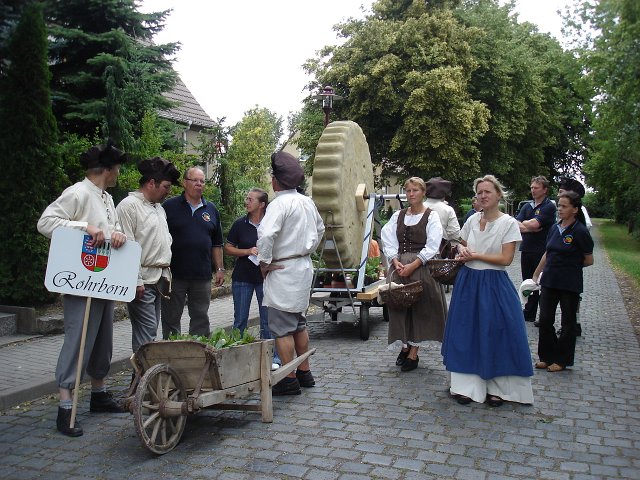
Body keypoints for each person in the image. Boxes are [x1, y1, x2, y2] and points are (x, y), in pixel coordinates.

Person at [37, 142, 129, 437]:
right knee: (78, 338)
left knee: (103, 338)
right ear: (106, 170)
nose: (117, 174)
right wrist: (84, 227)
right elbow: (46, 222)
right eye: (116, 169)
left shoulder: (107, 197)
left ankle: (99, 393)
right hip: (80, 279)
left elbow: (110, 228)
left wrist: (117, 236)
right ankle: (66, 405)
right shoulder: (78, 192)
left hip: (103, 277)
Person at [441, 175, 534, 407]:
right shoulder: (472, 220)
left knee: (497, 332)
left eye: (487, 192)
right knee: (466, 332)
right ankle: (465, 387)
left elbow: (506, 259)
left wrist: (475, 255)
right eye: (479, 192)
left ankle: (498, 388)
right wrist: (461, 250)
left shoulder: (508, 223)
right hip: (468, 281)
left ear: (498, 195)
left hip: (493, 284)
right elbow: (461, 242)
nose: (482, 196)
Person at [257, 151, 325, 395]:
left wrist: (264, 262)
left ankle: (288, 377)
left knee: (282, 327)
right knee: (298, 323)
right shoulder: (306, 201)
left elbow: (265, 235)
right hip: (302, 266)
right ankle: (305, 371)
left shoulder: (279, 204)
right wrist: (306, 250)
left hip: (283, 269)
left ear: (276, 181)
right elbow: (320, 228)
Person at [381, 177, 447, 372]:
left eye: (415, 190)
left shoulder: (431, 216)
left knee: (421, 310)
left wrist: (414, 264)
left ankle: (413, 352)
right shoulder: (398, 215)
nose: (411, 194)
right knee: (399, 307)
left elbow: (433, 245)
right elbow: (388, 237)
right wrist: (395, 260)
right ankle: (404, 345)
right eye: (408, 190)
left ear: (423, 192)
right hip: (400, 266)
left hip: (422, 268)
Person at [116, 157, 180, 354]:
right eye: (166, 186)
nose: (168, 192)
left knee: (150, 330)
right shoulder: (128, 206)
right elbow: (127, 245)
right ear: (151, 183)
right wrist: (136, 280)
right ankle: (145, 378)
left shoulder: (159, 208)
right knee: (147, 331)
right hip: (142, 279)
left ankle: (143, 379)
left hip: (160, 278)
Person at [533, 191, 594, 372]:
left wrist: (569, 266)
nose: (559, 209)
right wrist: (536, 274)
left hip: (569, 283)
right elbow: (547, 253)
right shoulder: (554, 228)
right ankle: (546, 355)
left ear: (575, 209)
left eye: (564, 206)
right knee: (545, 320)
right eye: (559, 205)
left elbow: (589, 260)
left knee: (567, 323)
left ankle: (562, 359)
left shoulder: (580, 231)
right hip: (550, 281)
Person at [161, 166, 225, 338]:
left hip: (202, 275)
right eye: (195, 180)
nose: (199, 184)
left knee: (200, 317)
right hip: (174, 275)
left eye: (202, 181)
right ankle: (172, 352)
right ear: (184, 183)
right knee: (171, 317)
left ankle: (198, 353)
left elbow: (217, 244)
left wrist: (220, 269)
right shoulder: (169, 207)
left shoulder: (210, 209)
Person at [224, 188, 281, 369]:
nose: (246, 202)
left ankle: (271, 359)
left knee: (267, 319)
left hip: (266, 278)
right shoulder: (240, 224)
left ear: (262, 204)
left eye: (250, 199)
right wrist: (247, 251)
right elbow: (228, 248)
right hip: (242, 277)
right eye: (246, 198)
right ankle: (236, 358)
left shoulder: (272, 224)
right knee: (240, 319)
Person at [516, 176, 557, 323]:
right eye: (532, 187)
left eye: (536, 188)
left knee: (540, 281)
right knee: (527, 281)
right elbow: (516, 225)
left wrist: (529, 226)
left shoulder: (549, 206)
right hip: (526, 248)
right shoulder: (527, 206)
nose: (533, 190)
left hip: (541, 250)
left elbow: (534, 224)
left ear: (545, 190)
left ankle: (544, 315)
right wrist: (531, 227)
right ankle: (529, 312)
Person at [423, 177, 461, 256]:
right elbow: (454, 233)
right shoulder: (448, 209)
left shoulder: (419, 207)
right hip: (440, 252)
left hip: (418, 251)